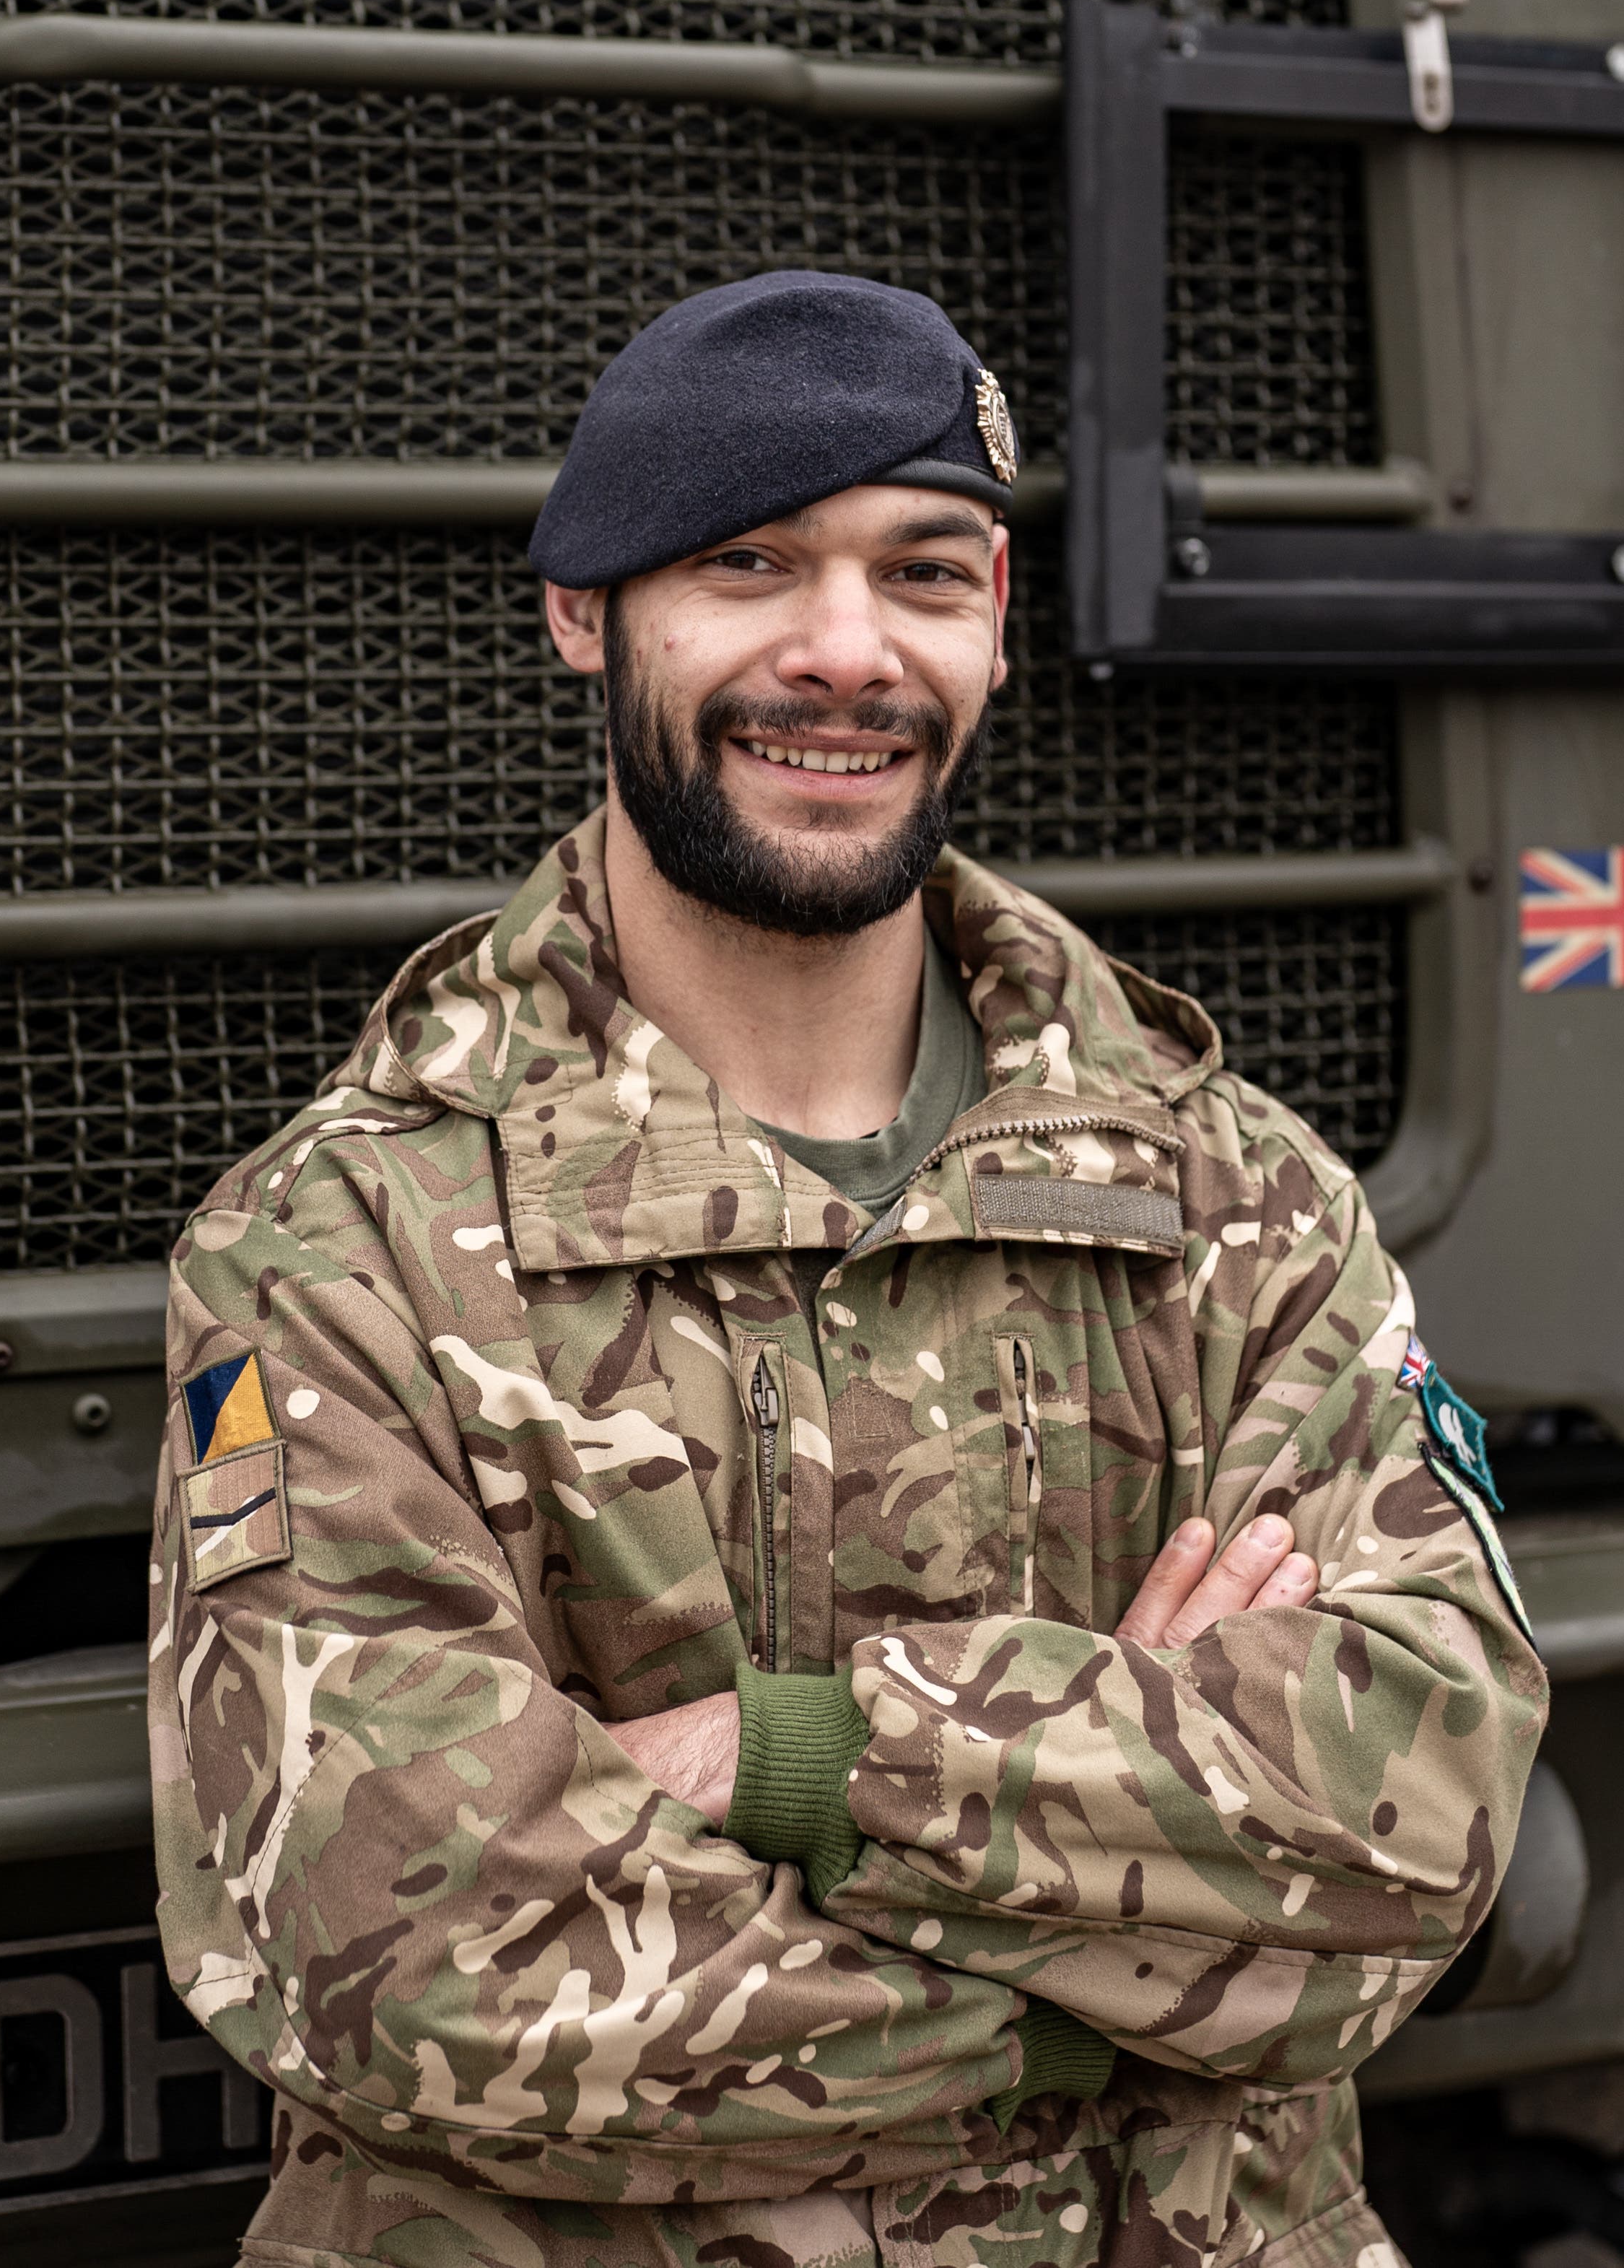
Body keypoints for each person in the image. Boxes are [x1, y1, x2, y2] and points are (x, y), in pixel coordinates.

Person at [148, 271, 1546, 2268]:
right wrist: (1158, 1948)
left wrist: (788, 1762)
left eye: (920, 574)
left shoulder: (1231, 1195)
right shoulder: (339, 1250)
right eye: (745, 566)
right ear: (579, 614)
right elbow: (417, 1985)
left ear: (992, 632)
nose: (841, 653)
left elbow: (1419, 1820)